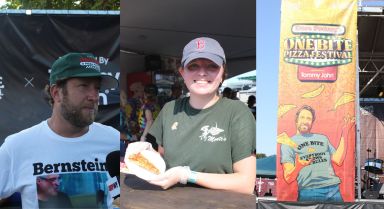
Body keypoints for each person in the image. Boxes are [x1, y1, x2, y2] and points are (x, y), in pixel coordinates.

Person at [131, 37, 256, 194]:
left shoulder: (237, 113)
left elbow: (246, 183)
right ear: (182, 72)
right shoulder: (170, 109)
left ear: (223, 72)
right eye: (193, 66)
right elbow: (162, 160)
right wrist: (144, 153)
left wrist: (187, 175)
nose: (202, 73)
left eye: (212, 66)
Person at [0, 53, 119, 208]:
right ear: (56, 93)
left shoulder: (112, 139)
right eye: (84, 86)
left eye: (97, 88)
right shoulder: (17, 147)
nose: (94, 96)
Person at [280, 105, 354, 201]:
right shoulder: (288, 143)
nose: (305, 121)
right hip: (309, 191)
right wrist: (298, 166)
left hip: (333, 189)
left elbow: (338, 160)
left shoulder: (322, 138)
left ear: (312, 122)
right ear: (296, 120)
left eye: (309, 118)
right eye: (302, 117)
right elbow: (288, 177)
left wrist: (345, 132)